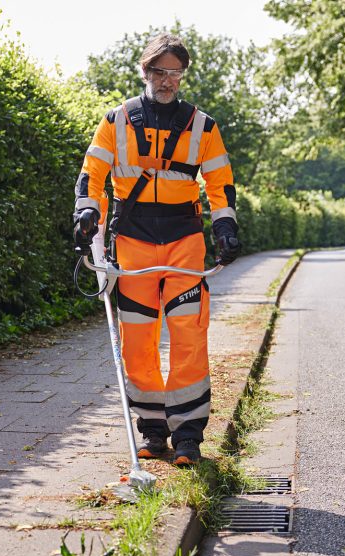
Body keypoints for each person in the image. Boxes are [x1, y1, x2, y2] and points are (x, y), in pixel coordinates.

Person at [73, 33, 240, 466]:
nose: (168, 81)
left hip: (185, 242)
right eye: (160, 72)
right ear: (144, 72)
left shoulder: (203, 126)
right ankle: (152, 429)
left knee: (188, 336)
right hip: (133, 243)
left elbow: (220, 185)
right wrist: (87, 214)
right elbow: (93, 173)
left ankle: (188, 435)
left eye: (175, 73)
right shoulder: (117, 120)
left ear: (182, 75)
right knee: (137, 340)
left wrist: (225, 229)